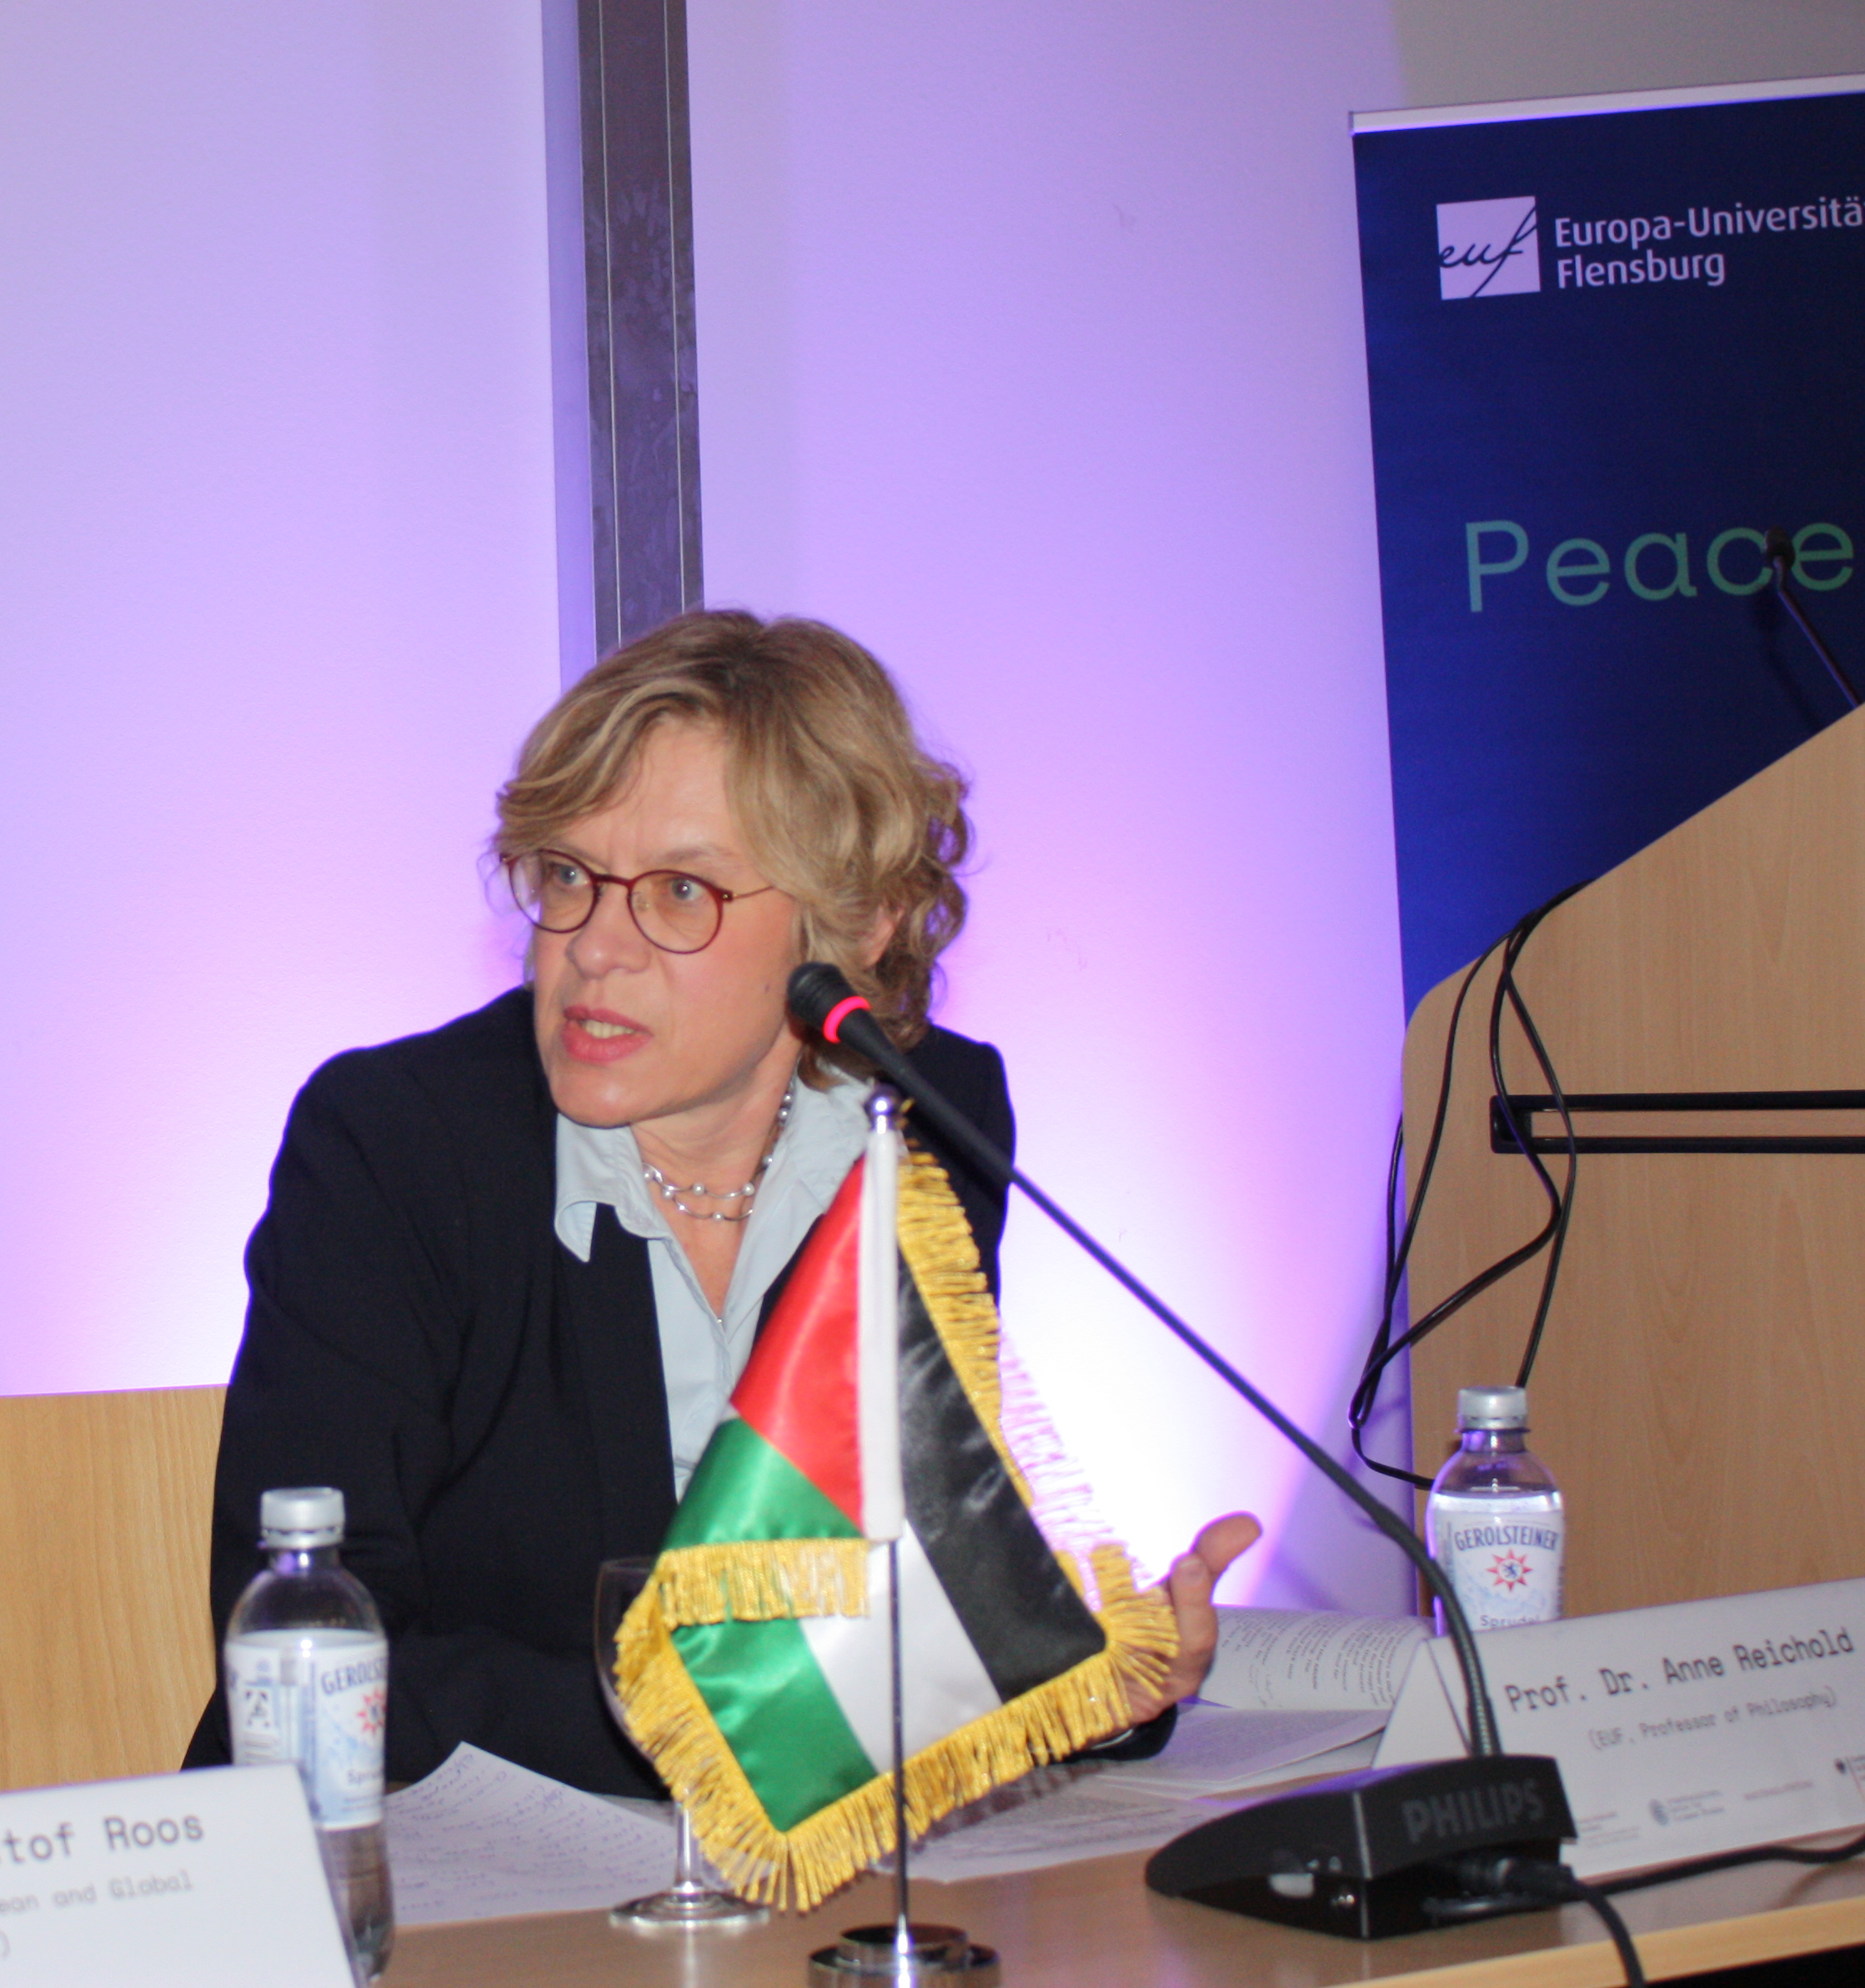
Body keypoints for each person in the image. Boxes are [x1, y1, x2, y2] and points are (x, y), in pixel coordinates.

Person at [188, 610, 1259, 1793]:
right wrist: (725, 1734)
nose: (596, 948)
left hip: (799, 1857)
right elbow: (314, 1646)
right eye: (568, 875)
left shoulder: (924, 1125)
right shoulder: (398, 1144)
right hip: (430, 1854)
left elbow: (912, 1591)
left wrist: (1085, 1680)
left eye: (680, 892)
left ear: (856, 924)